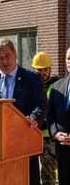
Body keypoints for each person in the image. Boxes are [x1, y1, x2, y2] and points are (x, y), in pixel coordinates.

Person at [0, 39, 47, 185]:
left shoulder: (32, 79)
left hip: (23, 144)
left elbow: (41, 106)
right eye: (0, 58)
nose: (5, 61)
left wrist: (33, 118)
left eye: (7, 56)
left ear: (15, 55)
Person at [32, 51, 59, 185]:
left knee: (48, 171)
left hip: (49, 136)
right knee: (32, 171)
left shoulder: (57, 85)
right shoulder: (31, 85)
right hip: (33, 134)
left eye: (45, 69)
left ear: (50, 69)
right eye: (39, 70)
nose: (43, 73)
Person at [47, 47, 70, 185]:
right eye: (68, 58)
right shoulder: (56, 87)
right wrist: (55, 133)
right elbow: (50, 116)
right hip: (62, 150)